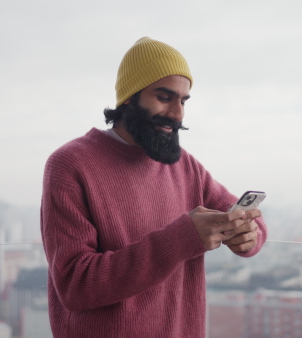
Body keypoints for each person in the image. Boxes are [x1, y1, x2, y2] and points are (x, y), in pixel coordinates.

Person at [40, 37, 268, 338]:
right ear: (129, 97)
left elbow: (252, 220)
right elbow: (75, 285)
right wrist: (183, 237)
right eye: (164, 97)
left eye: (184, 101)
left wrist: (248, 236)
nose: (178, 114)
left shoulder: (187, 167)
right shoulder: (70, 165)